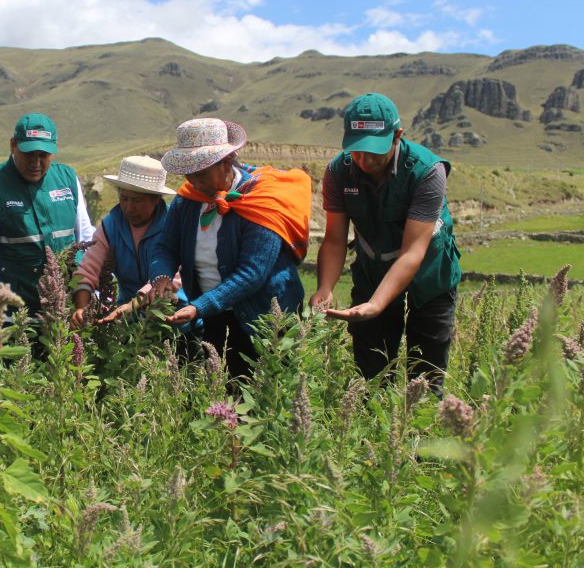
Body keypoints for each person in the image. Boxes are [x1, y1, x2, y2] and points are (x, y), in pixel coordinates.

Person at [309, 92, 461, 388]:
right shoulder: (338, 172)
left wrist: (376, 304)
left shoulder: (428, 171)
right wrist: (324, 288)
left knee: (426, 370)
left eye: (374, 151)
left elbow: (412, 252)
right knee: (371, 370)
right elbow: (335, 239)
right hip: (373, 268)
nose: (364, 161)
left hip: (429, 270)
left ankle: (421, 429)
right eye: (356, 151)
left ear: (397, 136)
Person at [146, 118, 312, 380]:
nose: (192, 180)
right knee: (228, 392)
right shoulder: (188, 200)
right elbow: (165, 247)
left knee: (274, 391)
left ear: (225, 162)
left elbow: (252, 273)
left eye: (200, 172)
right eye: (188, 172)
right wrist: (161, 276)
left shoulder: (262, 201)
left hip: (267, 318)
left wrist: (200, 306)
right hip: (215, 314)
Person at [0, 112, 94, 315]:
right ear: (13, 146)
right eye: (28, 154)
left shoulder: (68, 179)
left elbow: (86, 239)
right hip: (16, 314)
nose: (35, 163)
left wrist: (90, 300)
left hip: (66, 312)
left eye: (43, 156)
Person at [69, 156, 177, 329]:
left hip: (173, 318)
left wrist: (133, 305)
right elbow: (88, 270)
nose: (128, 208)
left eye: (137, 201)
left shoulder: (173, 225)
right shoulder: (110, 226)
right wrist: (81, 309)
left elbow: (171, 278)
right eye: (124, 198)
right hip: (128, 320)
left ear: (156, 199)